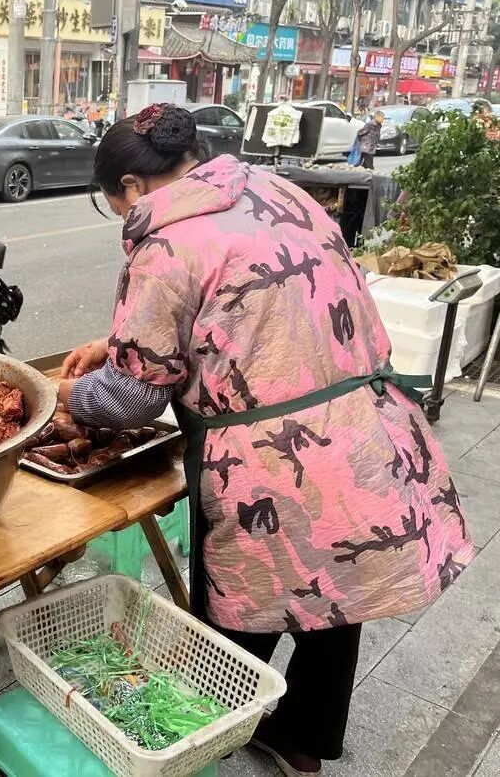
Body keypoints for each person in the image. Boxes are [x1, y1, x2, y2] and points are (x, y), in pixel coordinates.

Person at [58, 104, 473, 777]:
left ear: (131, 187)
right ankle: (302, 742)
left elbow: (135, 399)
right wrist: (118, 343)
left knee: (239, 603)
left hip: (274, 461)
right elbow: (250, 307)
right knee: (338, 587)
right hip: (363, 429)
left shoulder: (167, 243)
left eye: (114, 203)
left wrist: (68, 398)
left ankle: (196, 741)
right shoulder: (279, 190)